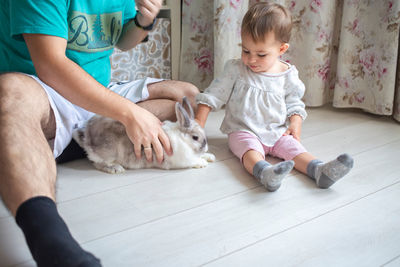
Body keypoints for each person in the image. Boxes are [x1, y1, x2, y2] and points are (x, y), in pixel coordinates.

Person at [0, 0, 199, 266]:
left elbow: (123, 41)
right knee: (8, 91)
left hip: (97, 88)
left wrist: (143, 21)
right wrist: (129, 113)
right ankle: (54, 249)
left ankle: (67, 142)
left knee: (189, 95)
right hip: (42, 89)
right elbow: (50, 65)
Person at [195, 2, 354, 192]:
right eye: (246, 50)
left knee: (294, 148)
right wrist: (198, 123)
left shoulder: (288, 75)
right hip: (243, 130)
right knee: (250, 151)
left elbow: (295, 103)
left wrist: (295, 123)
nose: (251, 59)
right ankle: (264, 172)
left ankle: (319, 170)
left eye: (261, 54)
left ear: (281, 49)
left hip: (277, 131)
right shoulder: (236, 69)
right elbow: (214, 95)